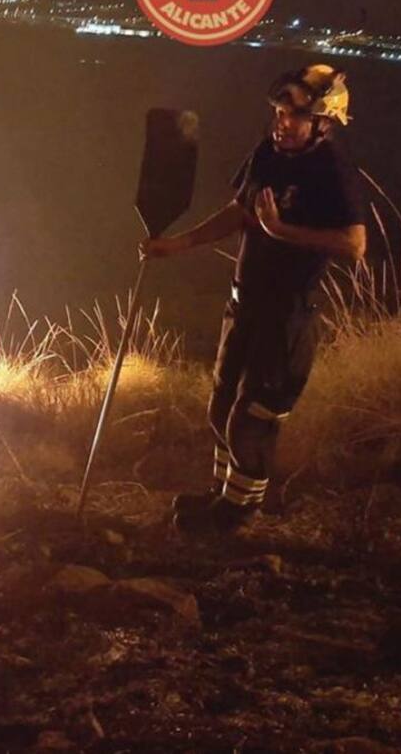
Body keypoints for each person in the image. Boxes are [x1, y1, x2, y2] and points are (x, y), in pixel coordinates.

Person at [140, 64, 367, 534]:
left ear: (323, 122)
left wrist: (281, 231)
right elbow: (240, 213)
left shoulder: (330, 167)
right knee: (221, 406)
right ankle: (223, 496)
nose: (282, 122)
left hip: (286, 317)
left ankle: (240, 514)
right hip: (243, 305)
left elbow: (353, 244)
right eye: (279, 112)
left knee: (254, 417)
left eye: (294, 116)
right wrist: (175, 245)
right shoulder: (270, 151)